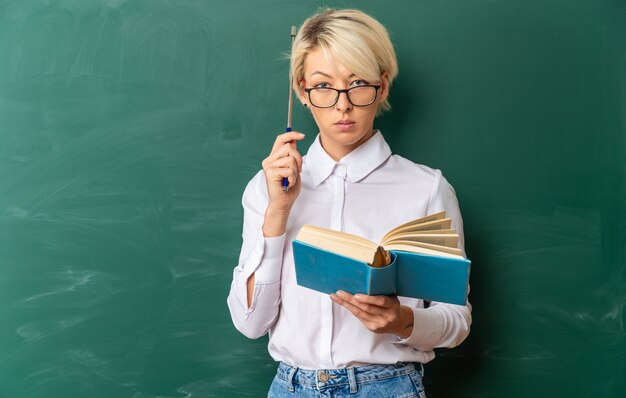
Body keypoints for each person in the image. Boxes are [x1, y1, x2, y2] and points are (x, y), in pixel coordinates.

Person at [227, 8, 471, 397]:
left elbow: (457, 322)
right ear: (303, 92)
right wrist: (277, 212)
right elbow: (250, 323)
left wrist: (402, 320)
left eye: (358, 83)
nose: (343, 105)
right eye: (324, 86)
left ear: (383, 86)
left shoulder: (427, 188)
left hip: (387, 386)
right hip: (292, 385)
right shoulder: (268, 187)